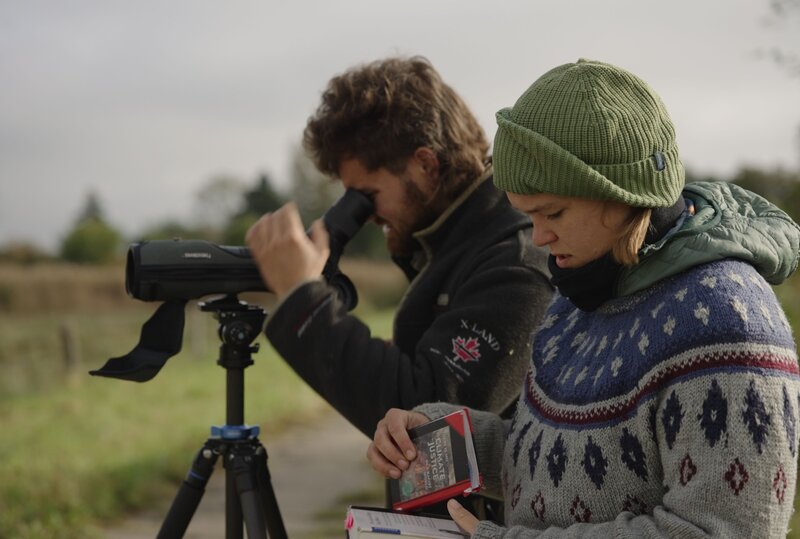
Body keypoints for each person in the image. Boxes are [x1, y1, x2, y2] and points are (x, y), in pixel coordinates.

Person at [367, 58, 800, 537]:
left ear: (620, 194)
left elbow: (723, 531)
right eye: (527, 216)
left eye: (552, 211)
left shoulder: (727, 322)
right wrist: (432, 435)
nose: (539, 237)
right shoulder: (578, 298)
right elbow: (546, 459)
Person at [245, 56, 553, 440]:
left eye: (367, 195)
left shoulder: (516, 262)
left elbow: (427, 418)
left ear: (425, 164)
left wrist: (303, 298)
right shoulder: (461, 243)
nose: (366, 216)